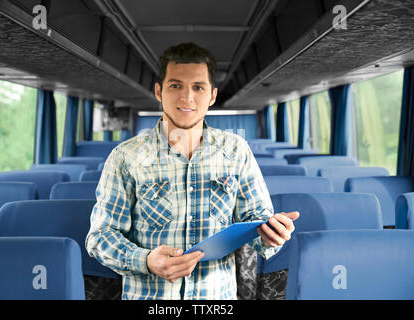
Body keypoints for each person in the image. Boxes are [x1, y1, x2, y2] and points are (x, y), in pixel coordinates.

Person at [85, 42, 299, 300]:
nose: (187, 98)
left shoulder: (236, 151)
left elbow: (257, 220)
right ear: (158, 91)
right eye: (175, 86)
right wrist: (146, 260)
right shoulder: (125, 157)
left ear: (212, 96)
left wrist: (272, 234)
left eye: (198, 87)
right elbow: (100, 237)